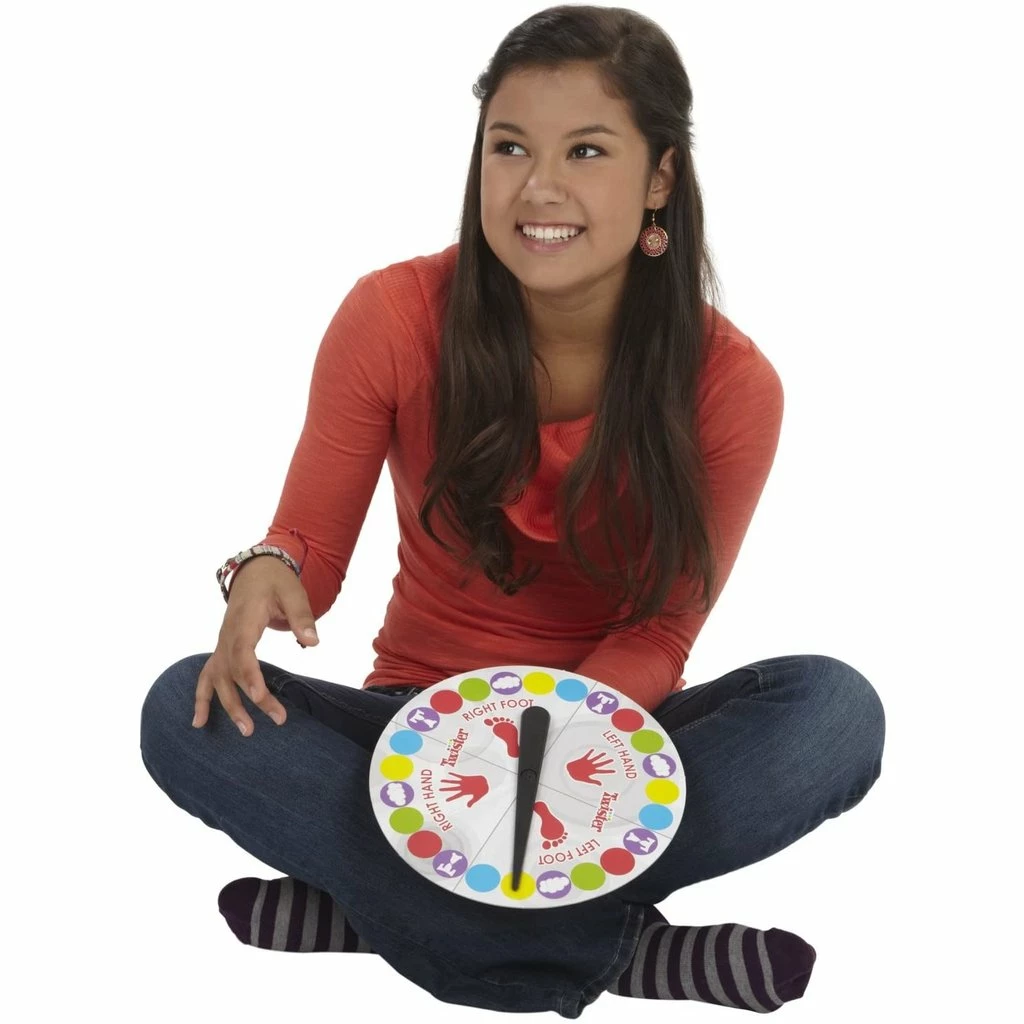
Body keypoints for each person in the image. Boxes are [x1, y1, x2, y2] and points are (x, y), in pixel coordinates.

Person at [139, 5, 885, 1018]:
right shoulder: (392, 314)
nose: (538, 187)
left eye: (587, 150)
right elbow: (305, 548)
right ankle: (617, 951)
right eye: (510, 147)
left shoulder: (730, 383)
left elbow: (661, 632)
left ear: (660, 177)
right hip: (414, 739)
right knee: (183, 708)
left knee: (832, 712)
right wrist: (266, 569)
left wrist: (542, 754)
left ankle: (380, 907)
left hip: (604, 751)